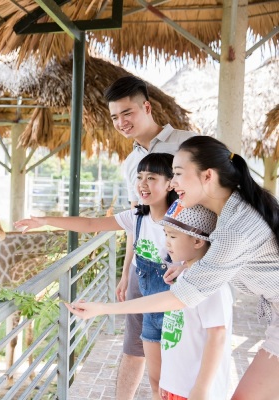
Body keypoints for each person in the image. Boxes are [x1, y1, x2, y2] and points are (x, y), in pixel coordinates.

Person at [67, 135, 279, 400]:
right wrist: (197, 265)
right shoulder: (230, 209)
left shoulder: (235, 229)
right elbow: (221, 252)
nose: (173, 182)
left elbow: (181, 297)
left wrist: (105, 309)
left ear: (208, 176)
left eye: (178, 173)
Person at [15, 152, 177, 399]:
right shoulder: (137, 217)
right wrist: (45, 220)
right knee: (154, 378)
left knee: (170, 377)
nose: (143, 184)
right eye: (140, 177)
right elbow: (91, 224)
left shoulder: (180, 219)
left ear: (170, 183)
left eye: (152, 178)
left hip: (172, 304)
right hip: (143, 295)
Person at [105, 75, 195, 399]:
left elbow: (215, 207)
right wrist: (126, 270)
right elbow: (137, 220)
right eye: (115, 116)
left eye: (127, 113)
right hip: (144, 266)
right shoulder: (131, 163)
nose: (121, 122)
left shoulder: (189, 143)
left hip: (183, 266)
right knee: (135, 343)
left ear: (146, 106)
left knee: (182, 346)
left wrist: (197, 262)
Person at [158, 200, 233, 400]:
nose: (167, 242)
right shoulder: (185, 275)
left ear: (198, 241)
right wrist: (167, 380)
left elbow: (217, 335)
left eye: (173, 236)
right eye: (165, 235)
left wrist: (201, 389)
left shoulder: (212, 285)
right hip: (177, 385)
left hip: (194, 391)